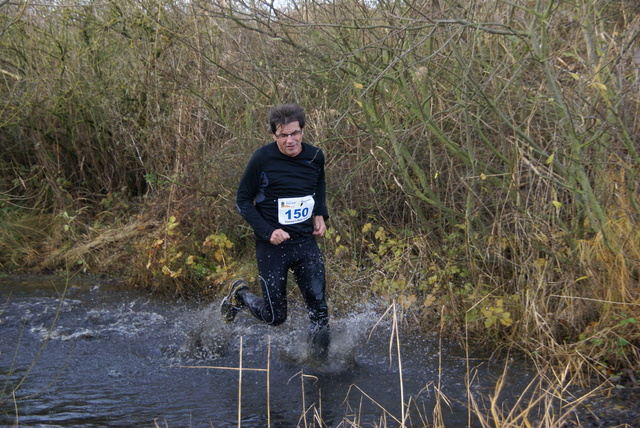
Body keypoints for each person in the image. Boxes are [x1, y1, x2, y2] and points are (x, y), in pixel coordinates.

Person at [221, 103, 330, 361]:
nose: (290, 140)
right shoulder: (262, 158)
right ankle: (240, 296)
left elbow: (320, 184)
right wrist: (268, 231)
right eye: (283, 135)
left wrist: (321, 214)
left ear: (303, 130)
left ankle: (319, 367)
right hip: (273, 247)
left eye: (295, 133)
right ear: (274, 135)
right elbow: (243, 200)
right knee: (275, 317)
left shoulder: (315, 156)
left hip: (304, 242)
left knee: (319, 310)